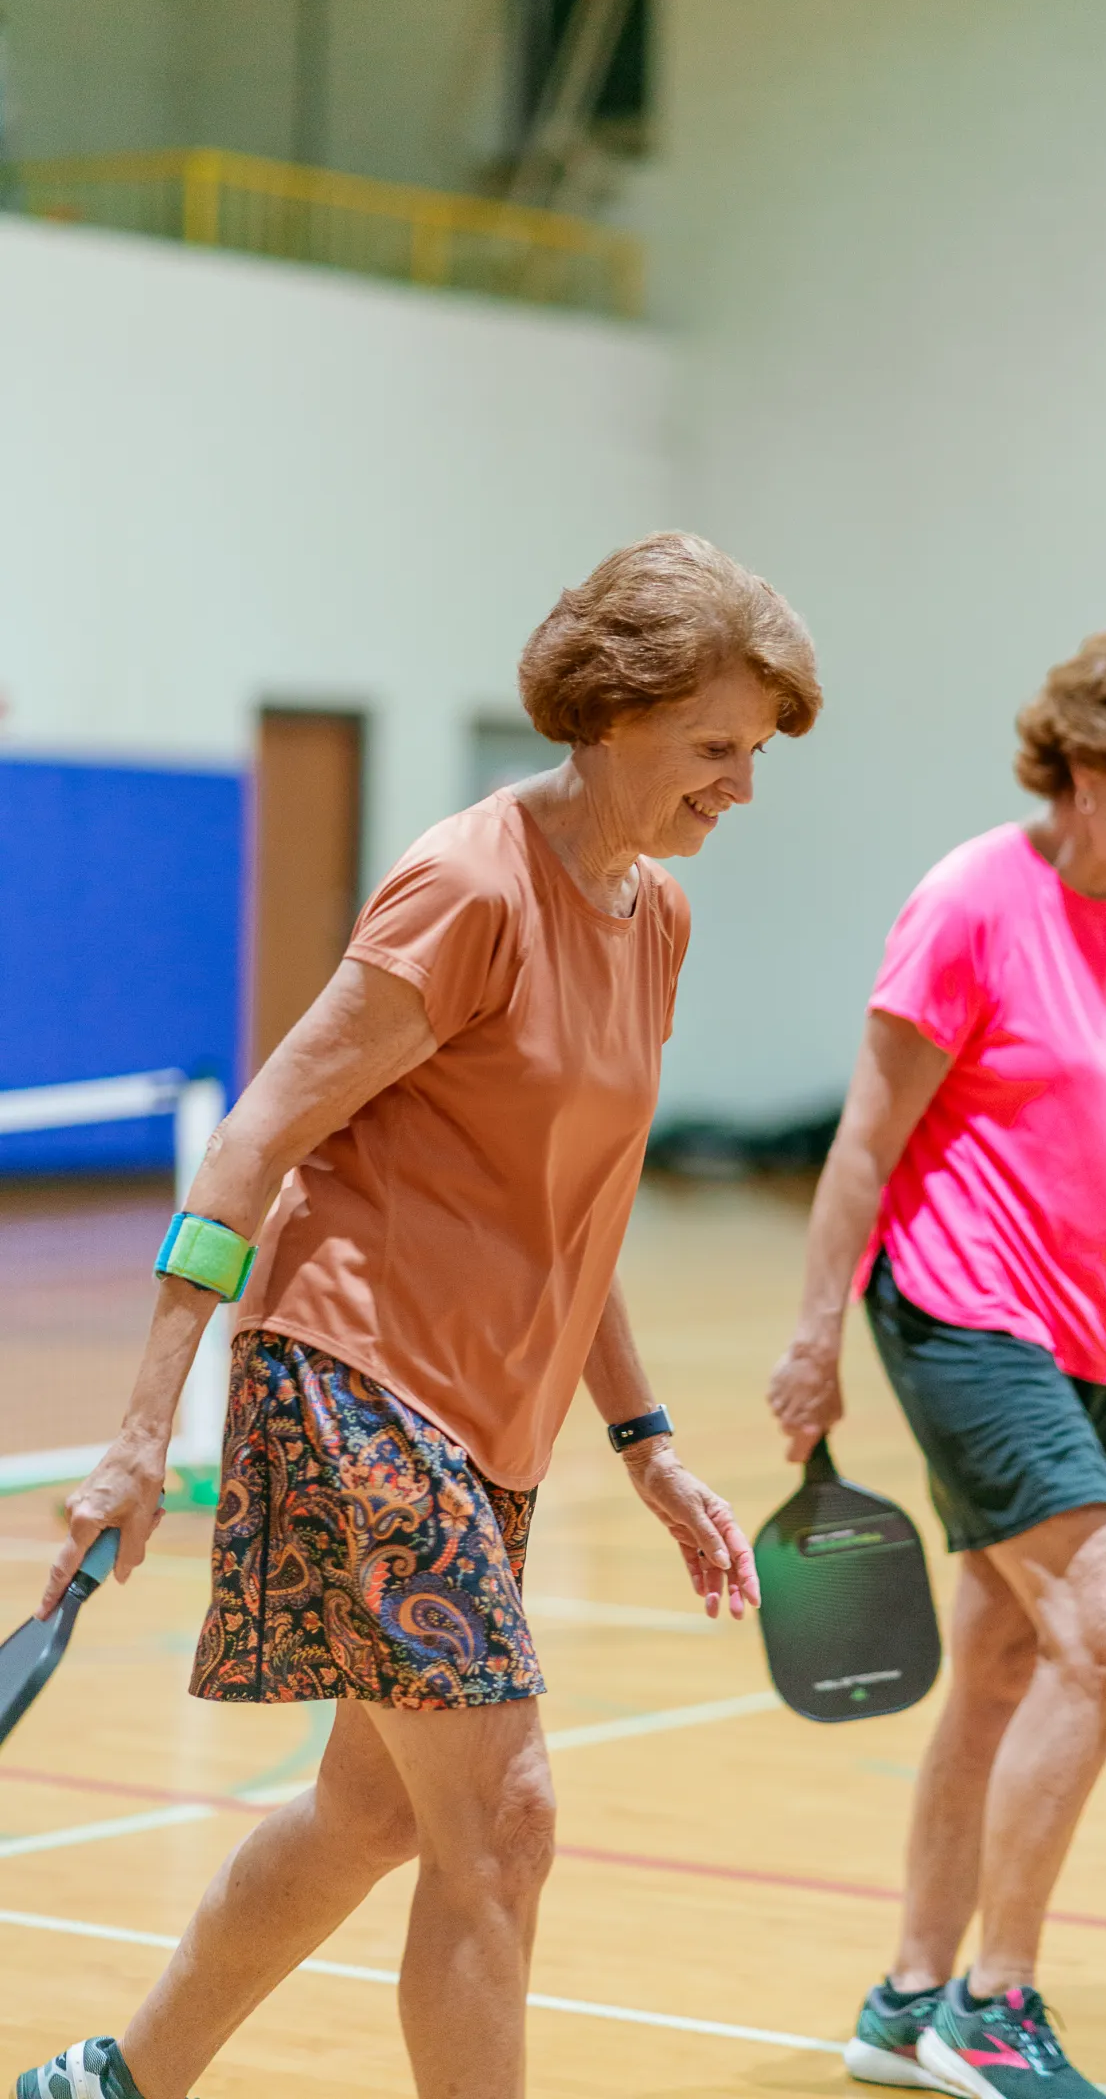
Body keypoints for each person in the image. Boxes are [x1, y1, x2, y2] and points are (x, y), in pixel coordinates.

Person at [17, 532, 821, 2099]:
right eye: (717, 746)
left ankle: (117, 2080)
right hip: (354, 1378)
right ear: (613, 714)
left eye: (757, 752)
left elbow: (571, 1209)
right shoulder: (470, 885)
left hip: (487, 1414)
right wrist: (137, 1443)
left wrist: (648, 1446)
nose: (741, 784)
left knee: (379, 1816)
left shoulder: (654, 918)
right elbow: (253, 1145)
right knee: (503, 1818)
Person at [768, 621, 1106, 2099]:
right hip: (961, 1313)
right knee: (1105, 1627)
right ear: (1084, 769)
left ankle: (906, 1997)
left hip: (1099, 1334)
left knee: (1008, 1659)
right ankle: (992, 2003)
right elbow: (867, 1141)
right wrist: (817, 1337)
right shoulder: (969, 901)